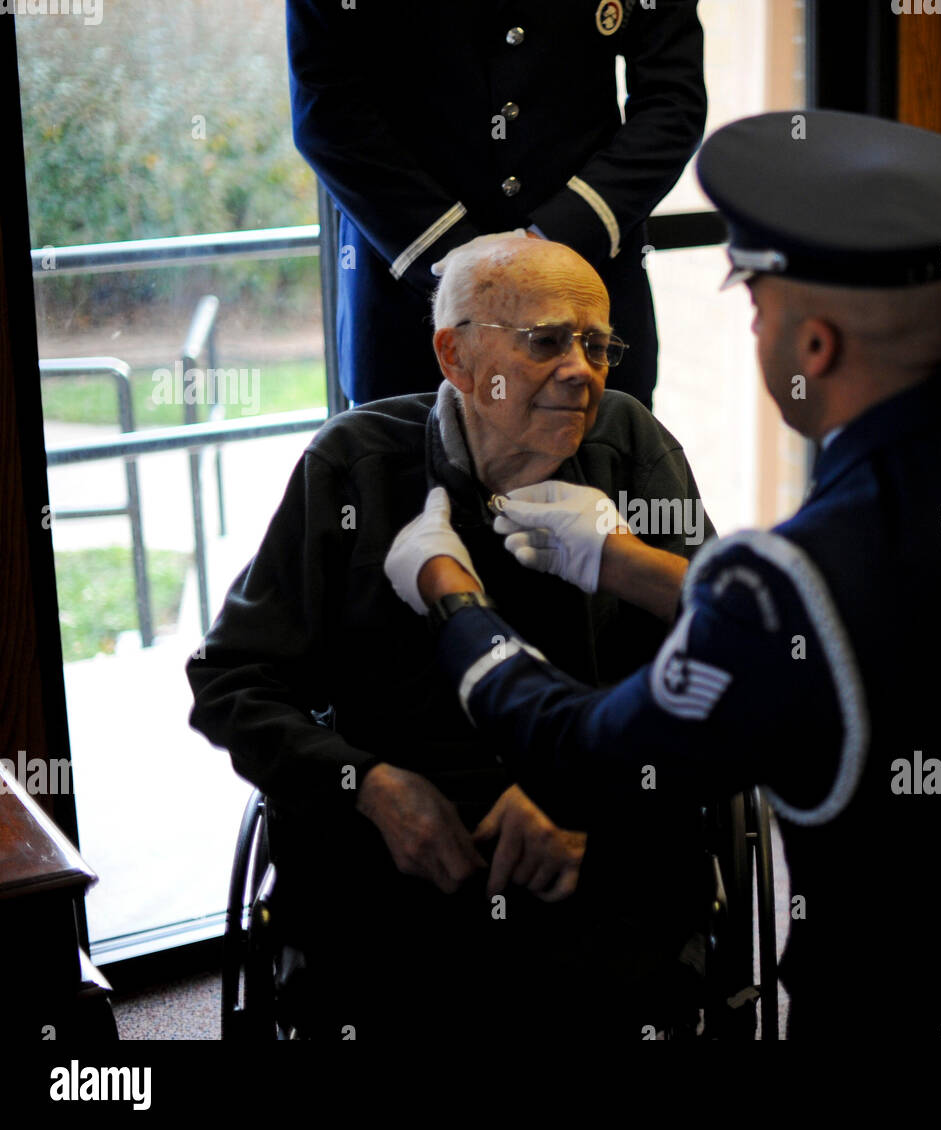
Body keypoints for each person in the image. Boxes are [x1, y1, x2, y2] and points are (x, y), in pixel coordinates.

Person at [386, 110, 941, 1044]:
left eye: (758, 302)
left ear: (814, 350)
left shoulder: (786, 589)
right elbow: (869, 622)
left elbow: (584, 755)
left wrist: (454, 600)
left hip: (913, 1003)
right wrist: (620, 559)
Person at [187, 234, 714, 1039]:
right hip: (395, 862)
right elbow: (231, 681)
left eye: (598, 344)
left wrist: (581, 798)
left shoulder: (630, 448)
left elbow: (715, 665)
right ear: (456, 355)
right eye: (546, 341)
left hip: (596, 847)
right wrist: (366, 784)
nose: (583, 370)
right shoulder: (354, 465)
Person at [287, 0, 707, 408]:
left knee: (608, 477)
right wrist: (453, 257)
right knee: (405, 475)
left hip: (589, 306)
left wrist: (556, 239)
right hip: (408, 317)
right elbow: (326, 109)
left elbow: (671, 102)